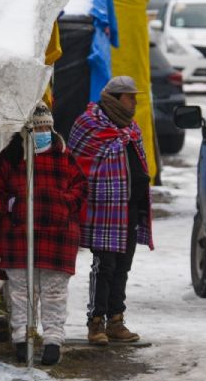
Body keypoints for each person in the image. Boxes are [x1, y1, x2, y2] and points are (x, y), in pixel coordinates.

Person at [0, 101, 87, 365]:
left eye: (47, 128)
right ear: (26, 130)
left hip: (57, 236)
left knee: (54, 292)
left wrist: (62, 204)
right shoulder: (10, 158)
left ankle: (53, 340)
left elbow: (80, 188)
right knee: (20, 292)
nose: (44, 132)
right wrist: (11, 204)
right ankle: (22, 337)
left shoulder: (64, 155)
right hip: (19, 236)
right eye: (38, 128)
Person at [68, 76, 154, 345]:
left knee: (123, 267)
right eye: (130, 97)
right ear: (115, 99)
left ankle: (116, 321)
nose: (135, 102)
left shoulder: (130, 128)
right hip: (104, 210)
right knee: (104, 265)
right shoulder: (90, 125)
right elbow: (79, 165)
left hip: (128, 209)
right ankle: (96, 323)